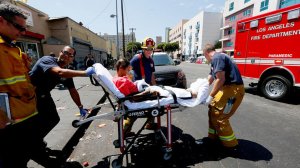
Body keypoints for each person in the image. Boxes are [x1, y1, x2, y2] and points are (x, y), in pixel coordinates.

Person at [0, 3, 56, 168]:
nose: (23, 32)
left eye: (24, 28)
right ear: (1, 21)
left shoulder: (14, 49)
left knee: (24, 157)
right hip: (8, 124)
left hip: (26, 117)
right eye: (19, 27)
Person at [29, 46, 95, 151]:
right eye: (65, 53)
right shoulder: (47, 60)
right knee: (34, 121)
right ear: (60, 52)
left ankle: (35, 141)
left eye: (70, 55)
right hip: (29, 95)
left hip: (44, 95)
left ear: (72, 59)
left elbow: (73, 90)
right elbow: (59, 72)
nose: (66, 56)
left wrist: (80, 107)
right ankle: (33, 144)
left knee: (53, 119)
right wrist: (85, 73)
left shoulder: (66, 72)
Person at [199, 44, 245, 154]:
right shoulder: (217, 58)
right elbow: (211, 77)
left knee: (220, 116)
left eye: (205, 57)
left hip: (233, 90)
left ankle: (231, 145)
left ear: (206, 53)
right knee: (212, 111)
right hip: (226, 89)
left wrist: (210, 96)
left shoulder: (217, 58)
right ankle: (213, 138)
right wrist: (201, 88)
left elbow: (220, 79)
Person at [130, 37, 157, 130]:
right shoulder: (136, 59)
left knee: (153, 105)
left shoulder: (151, 60)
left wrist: (155, 87)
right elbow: (128, 71)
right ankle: (125, 130)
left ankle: (150, 124)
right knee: (135, 111)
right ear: (143, 49)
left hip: (147, 87)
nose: (149, 51)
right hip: (137, 89)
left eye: (151, 49)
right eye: (147, 49)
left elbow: (152, 75)